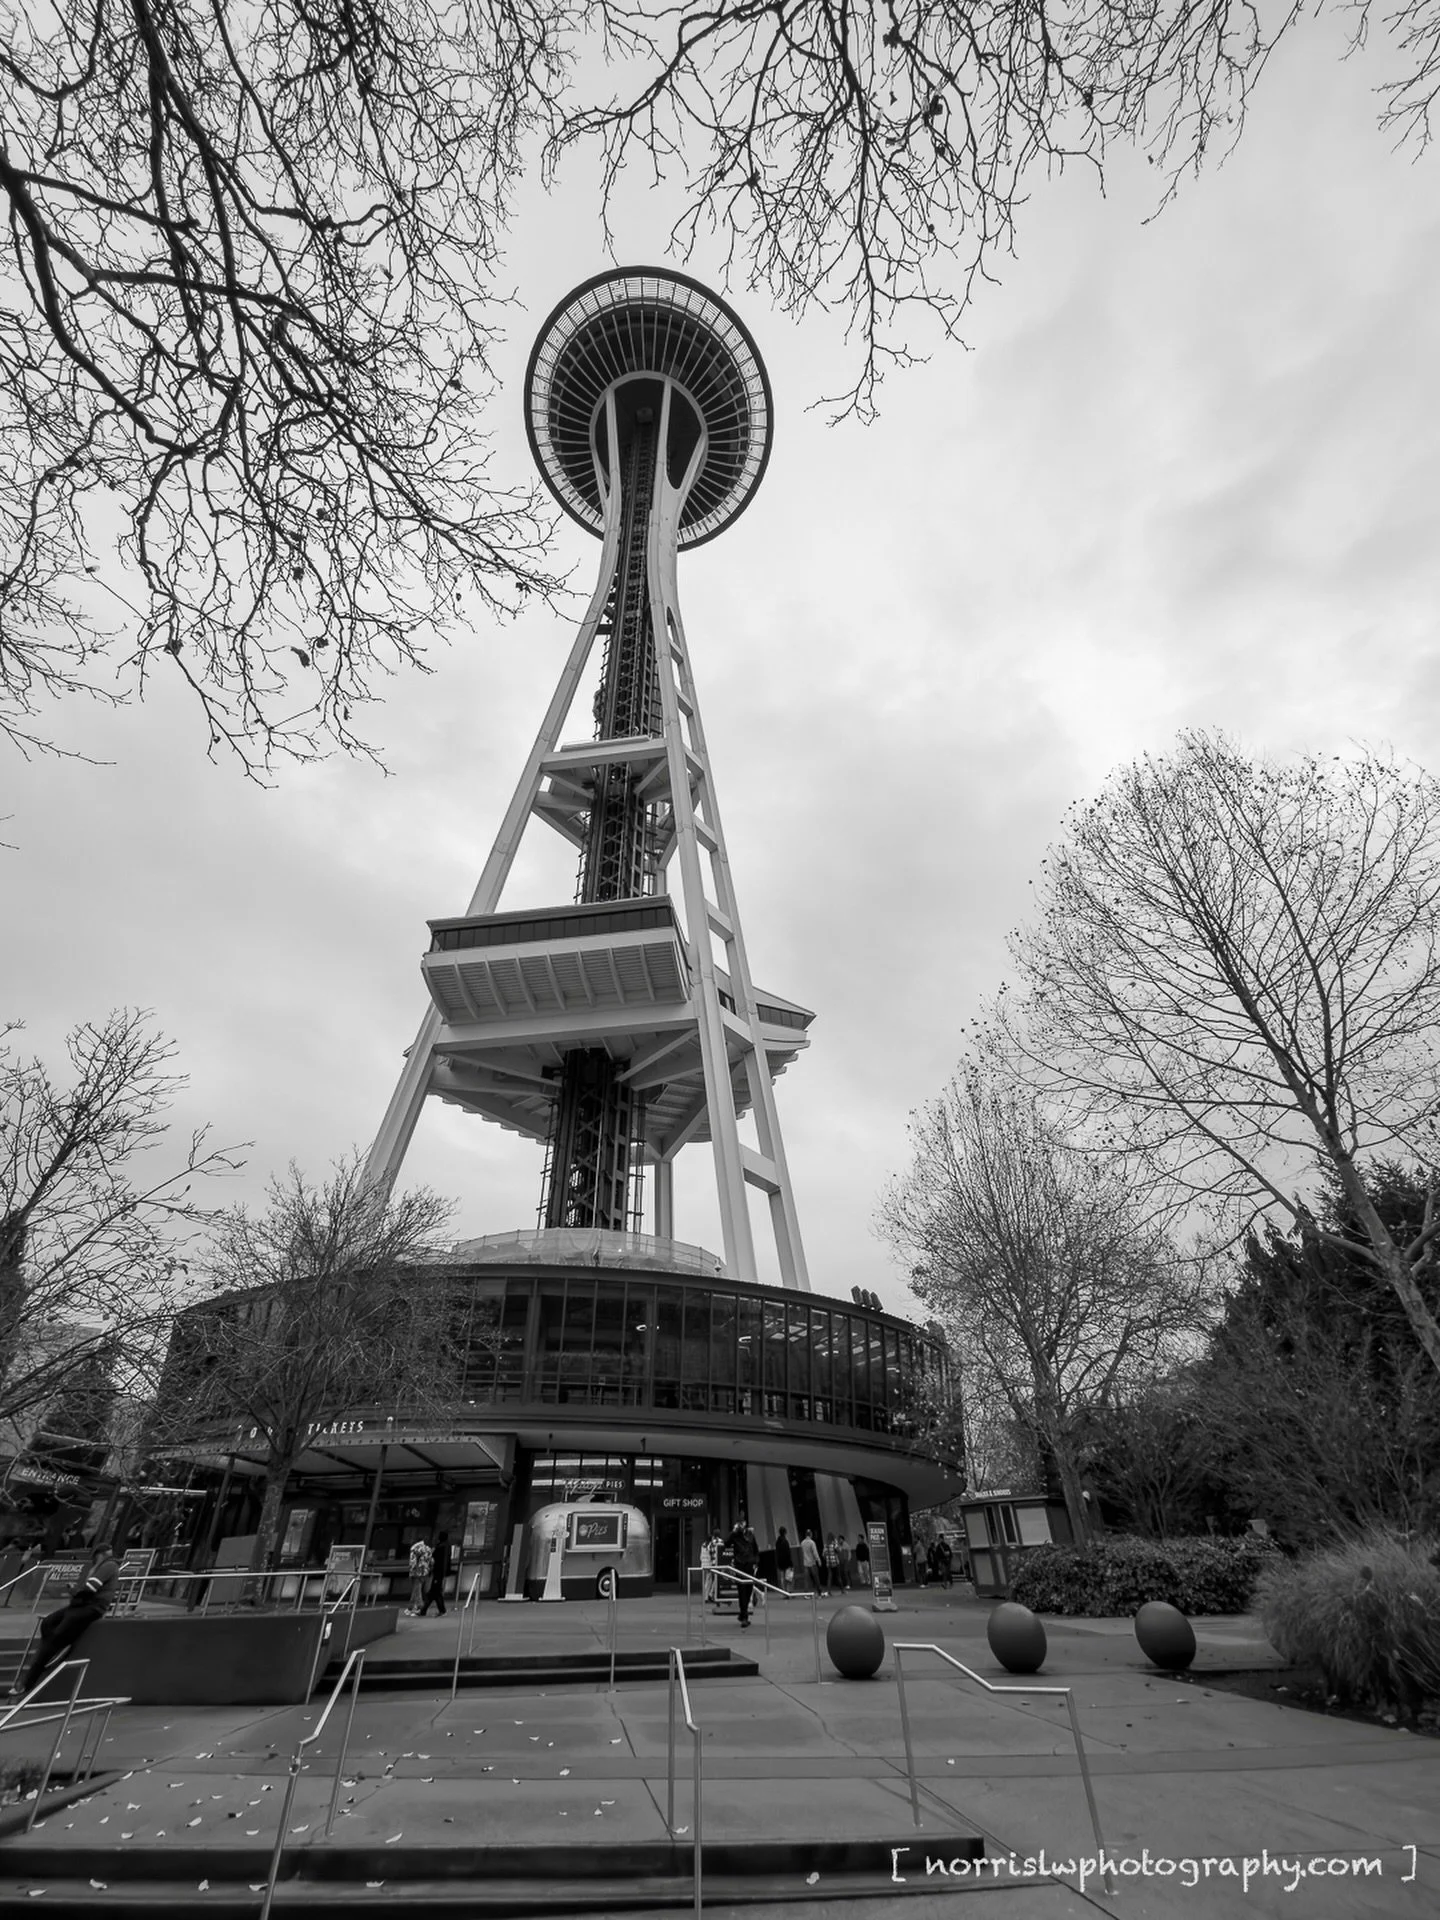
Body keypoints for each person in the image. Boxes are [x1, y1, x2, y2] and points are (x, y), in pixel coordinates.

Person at [14, 1542, 119, 1697]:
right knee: (48, 1622)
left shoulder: (109, 1565)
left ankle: (27, 1682)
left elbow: (91, 1588)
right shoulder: (103, 1566)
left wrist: (75, 1591)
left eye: (94, 1558)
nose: (93, 1562)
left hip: (91, 1608)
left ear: (100, 1555)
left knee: (55, 1638)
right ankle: (51, 1645)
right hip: (82, 1605)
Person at [726, 1516, 760, 1629]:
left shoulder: (750, 1535)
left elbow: (755, 1549)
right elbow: (726, 1544)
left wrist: (756, 1562)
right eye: (739, 1524)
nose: (741, 1526)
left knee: (749, 1589)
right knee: (742, 1590)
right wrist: (733, 1532)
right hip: (740, 1565)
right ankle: (744, 1616)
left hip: (749, 1565)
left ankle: (742, 1613)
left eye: (742, 1523)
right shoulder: (735, 1535)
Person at [418, 1530, 451, 1617]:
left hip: (438, 1572)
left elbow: (434, 1557)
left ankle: (426, 1610)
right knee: (435, 1592)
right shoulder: (446, 1546)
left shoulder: (441, 1547)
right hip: (440, 1572)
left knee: (435, 1592)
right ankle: (425, 1610)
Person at [406, 1536, 433, 1615]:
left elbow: (412, 1562)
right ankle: (410, 1607)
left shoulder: (414, 1548)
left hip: (417, 1571)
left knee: (417, 1589)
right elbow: (431, 1561)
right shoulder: (428, 1548)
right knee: (417, 1588)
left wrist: (411, 1571)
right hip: (425, 1571)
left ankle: (419, 1606)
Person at [799, 1528, 823, 1596]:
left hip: (806, 1563)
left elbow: (802, 1553)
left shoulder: (802, 1543)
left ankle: (806, 1593)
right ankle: (819, 1592)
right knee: (816, 1578)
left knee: (806, 1579)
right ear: (810, 1534)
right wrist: (818, 1560)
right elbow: (815, 1553)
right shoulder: (812, 1542)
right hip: (812, 1563)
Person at [774, 1527, 794, 1591]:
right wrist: (791, 1563)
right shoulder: (785, 1541)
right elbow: (788, 1553)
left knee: (783, 1577)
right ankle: (790, 1590)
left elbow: (777, 1552)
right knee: (789, 1577)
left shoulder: (777, 1542)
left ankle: (785, 1591)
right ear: (785, 1532)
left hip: (780, 1562)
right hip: (787, 1562)